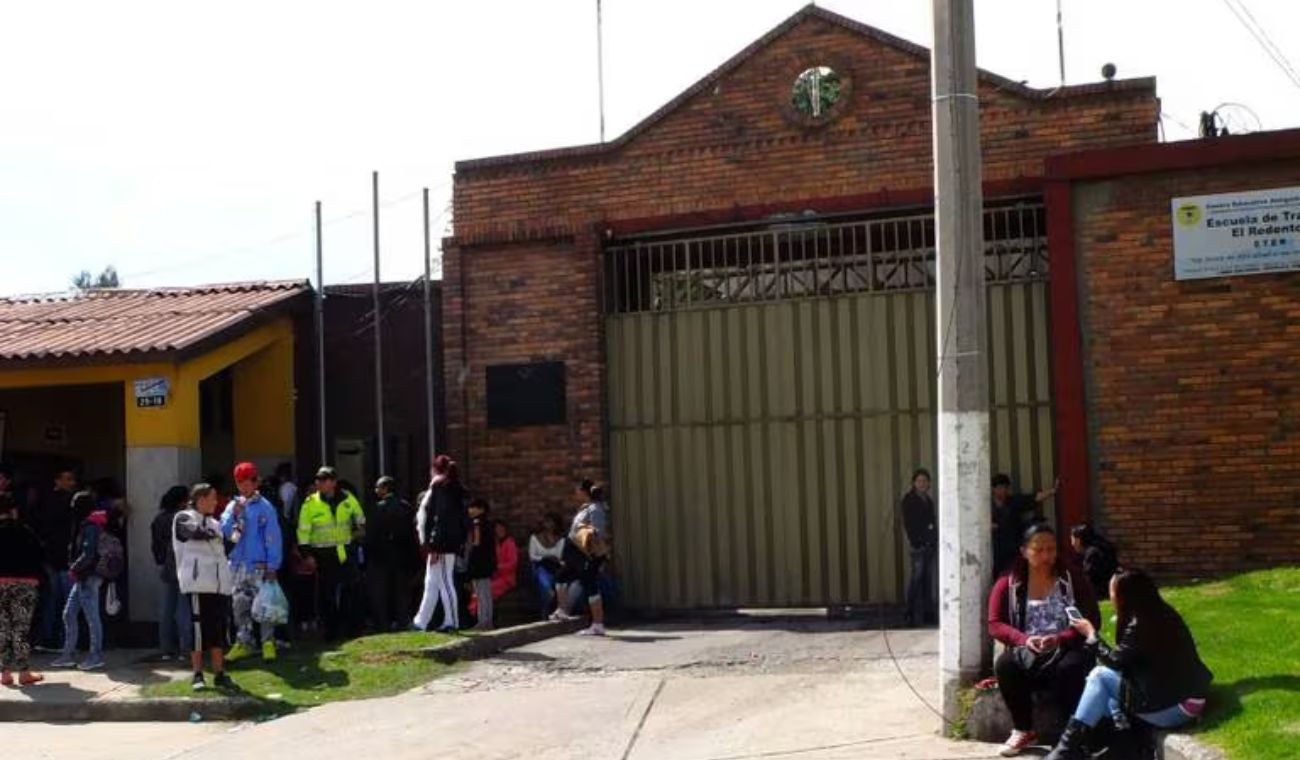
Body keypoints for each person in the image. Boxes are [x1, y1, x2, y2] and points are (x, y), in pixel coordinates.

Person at [1044, 569, 1213, 760]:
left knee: (1099, 676)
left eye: (1113, 592)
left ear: (1126, 596)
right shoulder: (1160, 612)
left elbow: (1115, 662)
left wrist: (1091, 634)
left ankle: (1066, 751)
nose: (1110, 596)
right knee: (1103, 684)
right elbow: (1126, 664)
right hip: (1184, 698)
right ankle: (1121, 746)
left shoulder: (1140, 623)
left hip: (1176, 708)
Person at [988, 523, 1100, 757]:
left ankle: (1069, 734)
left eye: (1051, 549)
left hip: (1066, 645)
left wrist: (1061, 638)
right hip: (1027, 648)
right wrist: (1023, 639)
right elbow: (995, 623)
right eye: (1039, 550)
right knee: (1005, 665)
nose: (1046, 556)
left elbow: (1091, 617)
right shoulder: (1009, 582)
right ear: (1024, 551)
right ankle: (1023, 729)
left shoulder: (1071, 578)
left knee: (1070, 668)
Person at [174, 483, 235, 692]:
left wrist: (236, 532)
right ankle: (197, 674)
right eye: (212, 498)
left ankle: (219, 673)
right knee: (198, 631)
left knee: (217, 630)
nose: (216, 502)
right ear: (200, 499)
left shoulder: (215, 523)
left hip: (218, 586)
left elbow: (225, 547)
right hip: (197, 584)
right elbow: (193, 532)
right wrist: (213, 533)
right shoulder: (183, 517)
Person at [222, 462, 283, 662]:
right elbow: (225, 530)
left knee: (264, 604)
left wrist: (273, 565)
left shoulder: (265, 507)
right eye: (239, 482)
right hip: (238, 565)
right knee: (240, 605)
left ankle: (268, 642)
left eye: (247, 482)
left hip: (260, 565)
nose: (243, 487)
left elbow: (273, 537)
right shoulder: (234, 505)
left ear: (255, 482)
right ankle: (244, 642)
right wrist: (234, 514)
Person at [296, 467, 365, 640]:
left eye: (323, 479)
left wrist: (357, 533)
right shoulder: (310, 503)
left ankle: (350, 628)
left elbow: (361, 521)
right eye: (317, 479)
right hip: (323, 554)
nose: (318, 483)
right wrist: (307, 555)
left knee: (351, 590)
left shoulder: (348, 499)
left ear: (333, 482)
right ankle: (331, 631)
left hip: (346, 551)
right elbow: (303, 532)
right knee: (327, 595)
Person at [51, 491, 108, 671]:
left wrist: (74, 568)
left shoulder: (91, 526)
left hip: (88, 576)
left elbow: (88, 554)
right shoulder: (88, 524)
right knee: (69, 614)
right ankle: (68, 654)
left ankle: (95, 656)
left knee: (92, 617)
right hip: (82, 577)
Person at [413, 455, 468, 633]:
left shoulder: (441, 488)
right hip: (446, 542)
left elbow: (439, 519)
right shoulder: (452, 488)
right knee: (432, 582)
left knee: (444, 581)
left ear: (435, 469)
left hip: (442, 544)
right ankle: (421, 621)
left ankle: (452, 622)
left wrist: (434, 545)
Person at [0, 493, 46, 686]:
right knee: (21, 627)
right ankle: (24, 672)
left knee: (2, 628)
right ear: (14, 511)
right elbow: (40, 554)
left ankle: (5, 673)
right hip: (24, 584)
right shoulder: (25, 531)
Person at [30, 466, 77, 651]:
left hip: (51, 558)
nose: (71, 483)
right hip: (62, 559)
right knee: (66, 601)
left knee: (53, 601)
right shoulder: (66, 502)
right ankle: (63, 640)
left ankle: (49, 638)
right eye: (67, 479)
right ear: (57, 480)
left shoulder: (44, 502)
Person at [365, 476, 417, 632]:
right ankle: (402, 620)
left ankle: (383, 623)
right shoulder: (406, 507)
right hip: (402, 556)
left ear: (385, 489)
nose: (376, 491)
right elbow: (412, 533)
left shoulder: (378, 508)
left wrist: (370, 553)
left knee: (381, 592)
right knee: (401, 591)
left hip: (381, 557)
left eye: (378, 487)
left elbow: (372, 534)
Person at [150, 485, 193, 660]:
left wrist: (160, 562)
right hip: (183, 564)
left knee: (167, 608)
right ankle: (185, 648)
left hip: (166, 566)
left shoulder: (159, 519)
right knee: (184, 608)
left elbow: (155, 545)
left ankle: (166, 648)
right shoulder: (182, 518)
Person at [568, 484, 612, 637]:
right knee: (589, 584)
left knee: (590, 584)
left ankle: (598, 623)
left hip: (592, 554)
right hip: (586, 553)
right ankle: (596, 622)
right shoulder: (590, 507)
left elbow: (597, 531)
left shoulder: (595, 509)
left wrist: (582, 527)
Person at [992, 474, 1058, 574]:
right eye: (1000, 488)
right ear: (993, 489)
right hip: (997, 550)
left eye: (1006, 488)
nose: (1003, 491)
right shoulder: (987, 506)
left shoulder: (1014, 502)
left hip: (1014, 547)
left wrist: (1052, 491)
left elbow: (1035, 498)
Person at [900, 468, 938, 627]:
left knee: (927, 580)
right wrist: (917, 542)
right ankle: (909, 613)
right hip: (918, 547)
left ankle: (928, 613)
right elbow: (909, 525)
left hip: (929, 545)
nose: (922, 484)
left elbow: (932, 523)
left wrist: (933, 541)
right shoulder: (909, 500)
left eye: (925, 481)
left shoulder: (928, 500)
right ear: (914, 483)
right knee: (916, 579)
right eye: (919, 481)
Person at [465, 498, 497, 631]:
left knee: (481, 594)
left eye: (473, 507)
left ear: (481, 509)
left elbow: (476, 543)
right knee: (485, 594)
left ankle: (483, 622)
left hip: (479, 563)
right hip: (488, 562)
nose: (470, 510)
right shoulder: (489, 524)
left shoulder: (477, 523)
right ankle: (487, 621)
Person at [529, 513, 567, 618]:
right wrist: (545, 557)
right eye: (547, 522)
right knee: (545, 586)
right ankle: (544, 611)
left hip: (556, 566)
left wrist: (553, 558)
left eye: (551, 522)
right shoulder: (535, 538)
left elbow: (560, 556)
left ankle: (559, 610)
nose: (549, 525)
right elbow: (532, 556)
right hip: (540, 566)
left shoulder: (561, 539)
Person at [1069, 523, 1119, 600]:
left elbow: (1090, 578)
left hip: (1101, 594)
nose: (1072, 544)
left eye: (1072, 539)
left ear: (1078, 540)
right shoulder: (1103, 547)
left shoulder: (1092, 555)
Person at [490, 521, 519, 600]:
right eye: (497, 529)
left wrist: (497, 567)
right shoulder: (494, 543)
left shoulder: (510, 543)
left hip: (507, 578)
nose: (499, 530)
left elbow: (513, 563)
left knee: (486, 589)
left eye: (501, 528)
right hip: (494, 577)